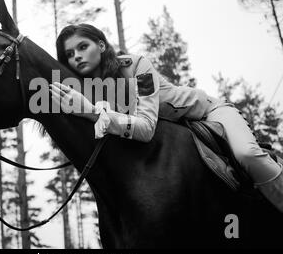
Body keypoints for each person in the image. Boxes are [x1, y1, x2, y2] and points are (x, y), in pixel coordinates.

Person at [50, 23, 283, 213]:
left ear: (101, 45)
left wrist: (90, 111)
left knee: (247, 154)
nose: (77, 57)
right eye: (69, 54)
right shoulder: (86, 91)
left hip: (209, 114)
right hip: (174, 138)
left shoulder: (137, 66)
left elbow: (147, 127)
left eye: (82, 46)